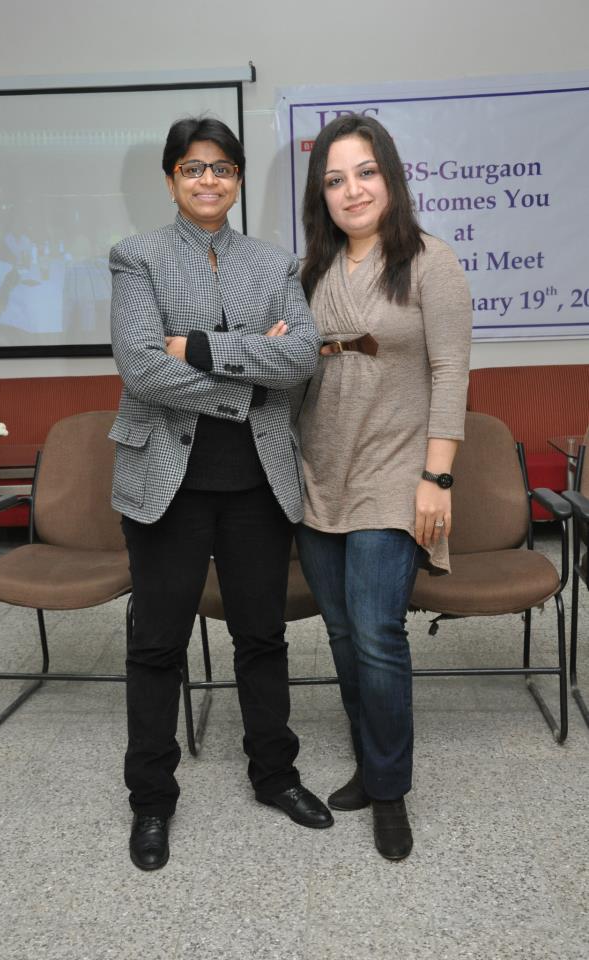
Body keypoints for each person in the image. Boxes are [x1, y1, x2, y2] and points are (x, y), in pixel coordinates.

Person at [109, 117, 333, 872]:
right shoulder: (137, 257)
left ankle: (276, 775)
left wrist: (200, 347)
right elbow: (143, 369)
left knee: (262, 638)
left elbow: (300, 358)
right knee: (157, 645)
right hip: (165, 484)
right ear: (171, 177)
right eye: (193, 167)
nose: (209, 180)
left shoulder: (273, 263)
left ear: (236, 179)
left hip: (256, 484)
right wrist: (249, 376)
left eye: (223, 168)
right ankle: (151, 799)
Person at [295, 114, 472, 861]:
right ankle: (370, 764)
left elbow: (450, 372)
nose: (352, 190)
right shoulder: (310, 272)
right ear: (321, 194)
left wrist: (437, 477)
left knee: (375, 634)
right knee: (340, 633)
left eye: (365, 172)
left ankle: (390, 788)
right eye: (335, 179)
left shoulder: (430, 260)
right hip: (318, 474)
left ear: (390, 176)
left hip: (396, 473)